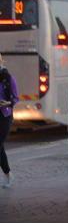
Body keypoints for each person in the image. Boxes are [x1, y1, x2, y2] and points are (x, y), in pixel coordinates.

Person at [0, 53, 19, 188]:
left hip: (5, 115)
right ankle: (8, 175)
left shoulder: (8, 77)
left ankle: (8, 175)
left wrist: (7, 103)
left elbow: (16, 97)